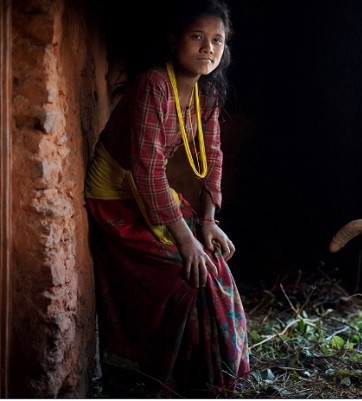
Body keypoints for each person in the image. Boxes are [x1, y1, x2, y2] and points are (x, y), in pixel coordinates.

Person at [84, 0, 249, 396]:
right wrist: (185, 238)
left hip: (148, 191)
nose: (207, 48)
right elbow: (145, 168)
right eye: (197, 37)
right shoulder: (154, 84)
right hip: (115, 195)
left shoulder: (207, 92)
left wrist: (208, 221)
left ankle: (215, 378)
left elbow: (213, 157)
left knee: (213, 264)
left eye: (217, 41)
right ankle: (163, 377)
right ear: (174, 40)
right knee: (186, 274)